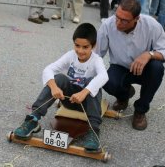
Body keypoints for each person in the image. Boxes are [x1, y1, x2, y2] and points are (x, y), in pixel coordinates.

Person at [14, 23, 109, 152]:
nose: (80, 51)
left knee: (93, 82)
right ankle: (33, 119)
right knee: (58, 78)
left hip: (87, 104)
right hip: (70, 100)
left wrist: (84, 92)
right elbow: (48, 69)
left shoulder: (96, 60)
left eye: (85, 47)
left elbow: (104, 76)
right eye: (77, 46)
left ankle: (93, 132)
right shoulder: (71, 55)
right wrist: (54, 87)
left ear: (93, 46)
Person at [96, 0, 165, 131]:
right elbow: (97, 55)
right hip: (120, 67)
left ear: (136, 19)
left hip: (144, 69)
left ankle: (140, 110)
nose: (118, 23)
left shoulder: (151, 25)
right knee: (106, 79)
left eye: (124, 20)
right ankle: (124, 95)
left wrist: (149, 54)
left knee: (157, 68)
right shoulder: (107, 25)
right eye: (117, 17)